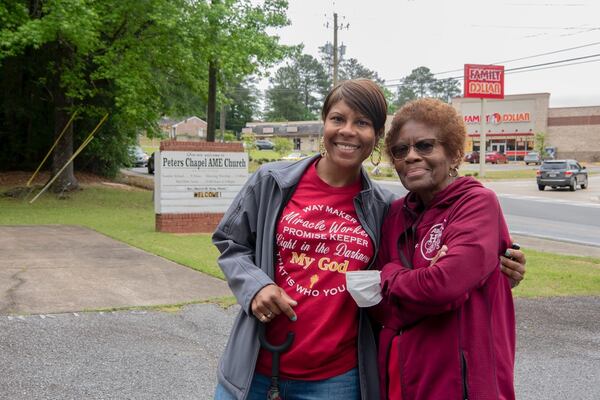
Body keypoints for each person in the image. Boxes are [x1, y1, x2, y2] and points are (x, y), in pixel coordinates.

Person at [212, 80, 525, 400]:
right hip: (255, 366)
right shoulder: (274, 182)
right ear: (324, 125)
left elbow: (421, 285)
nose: (347, 131)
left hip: (336, 380)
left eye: (361, 123)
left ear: (375, 138)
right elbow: (230, 241)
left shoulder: (381, 208)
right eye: (338, 119)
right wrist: (255, 286)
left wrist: (488, 272)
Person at [377, 98, 517, 399]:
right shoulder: (395, 215)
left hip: (462, 384)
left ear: (453, 153)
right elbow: (378, 305)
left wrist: (389, 274)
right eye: (400, 150)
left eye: (425, 146)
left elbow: (443, 287)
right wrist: (422, 283)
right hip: (401, 380)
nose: (411, 156)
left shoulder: (477, 204)